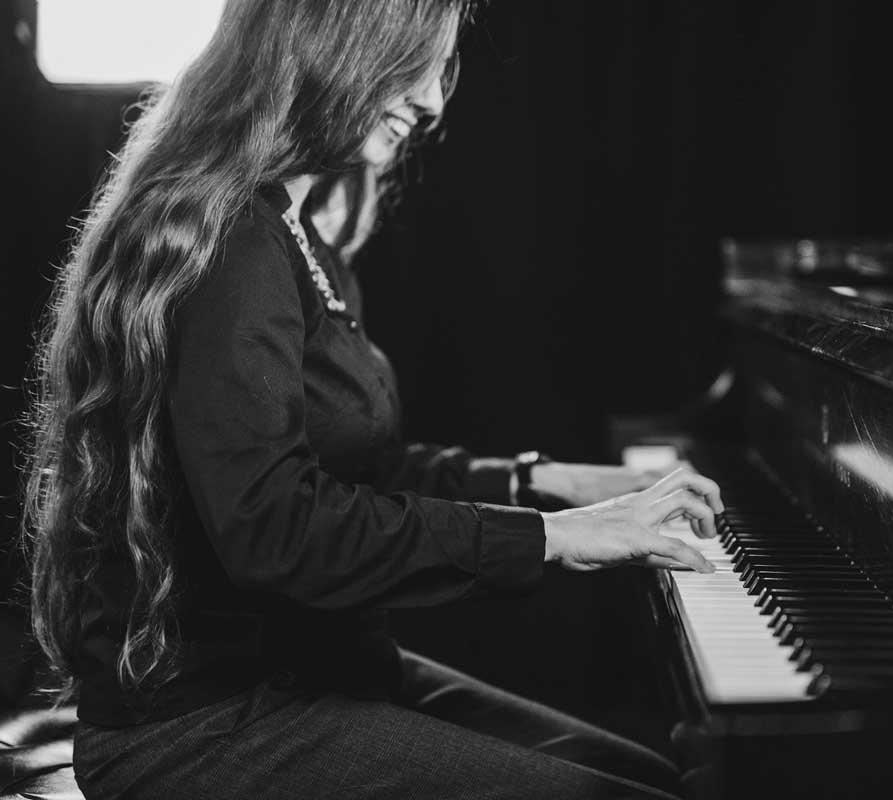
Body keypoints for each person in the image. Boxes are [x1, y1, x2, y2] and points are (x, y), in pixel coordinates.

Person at [21, 1, 724, 797]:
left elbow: (359, 472)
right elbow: (276, 529)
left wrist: (541, 480)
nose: (431, 102)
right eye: (415, 63)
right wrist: (554, 537)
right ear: (330, 43)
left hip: (316, 670)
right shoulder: (231, 243)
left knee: (640, 774)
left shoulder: (299, 238)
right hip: (205, 722)